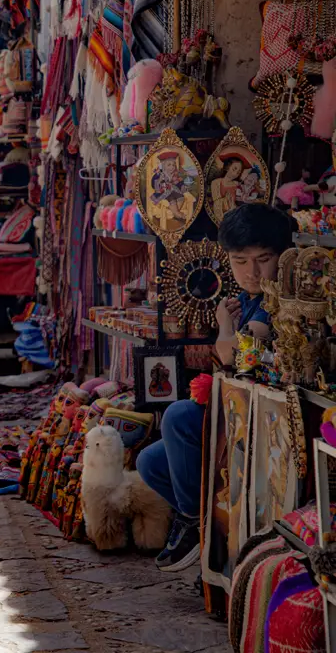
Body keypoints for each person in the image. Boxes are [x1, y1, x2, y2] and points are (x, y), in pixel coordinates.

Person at [136, 202, 290, 572]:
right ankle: (205, 527)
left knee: (177, 416)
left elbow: (236, 355)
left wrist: (224, 328)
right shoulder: (249, 299)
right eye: (240, 262)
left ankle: (191, 521)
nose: (252, 272)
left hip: (262, 416)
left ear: (282, 256)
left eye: (263, 259)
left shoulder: (278, 298)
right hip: (236, 407)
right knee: (149, 461)